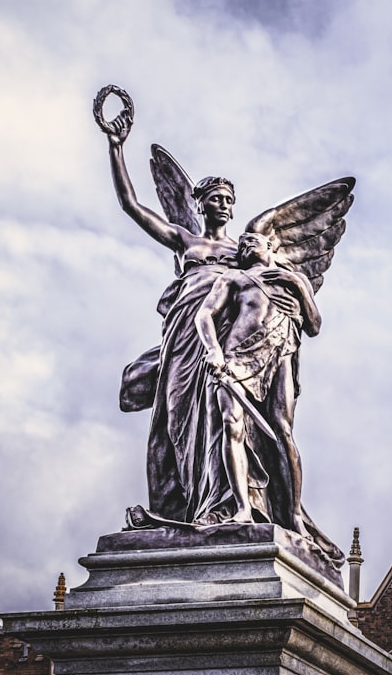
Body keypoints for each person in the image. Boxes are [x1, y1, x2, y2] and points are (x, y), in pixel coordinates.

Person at [106, 115, 240, 524]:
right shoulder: (187, 240)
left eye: (228, 200)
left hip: (220, 333)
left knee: (217, 415)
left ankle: (217, 504)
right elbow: (131, 206)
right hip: (183, 333)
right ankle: (181, 504)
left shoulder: (242, 251)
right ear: (200, 204)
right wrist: (116, 147)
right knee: (177, 415)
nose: (223, 204)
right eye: (215, 198)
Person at [194, 232, 319, 535]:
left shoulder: (291, 281)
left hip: (281, 355)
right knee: (231, 424)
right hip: (236, 357)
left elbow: (314, 325)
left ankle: (294, 514)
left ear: (271, 248)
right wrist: (213, 351)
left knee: (283, 430)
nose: (247, 244)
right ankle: (242, 508)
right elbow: (205, 315)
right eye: (242, 244)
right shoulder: (234, 278)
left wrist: (301, 287)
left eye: (254, 240)